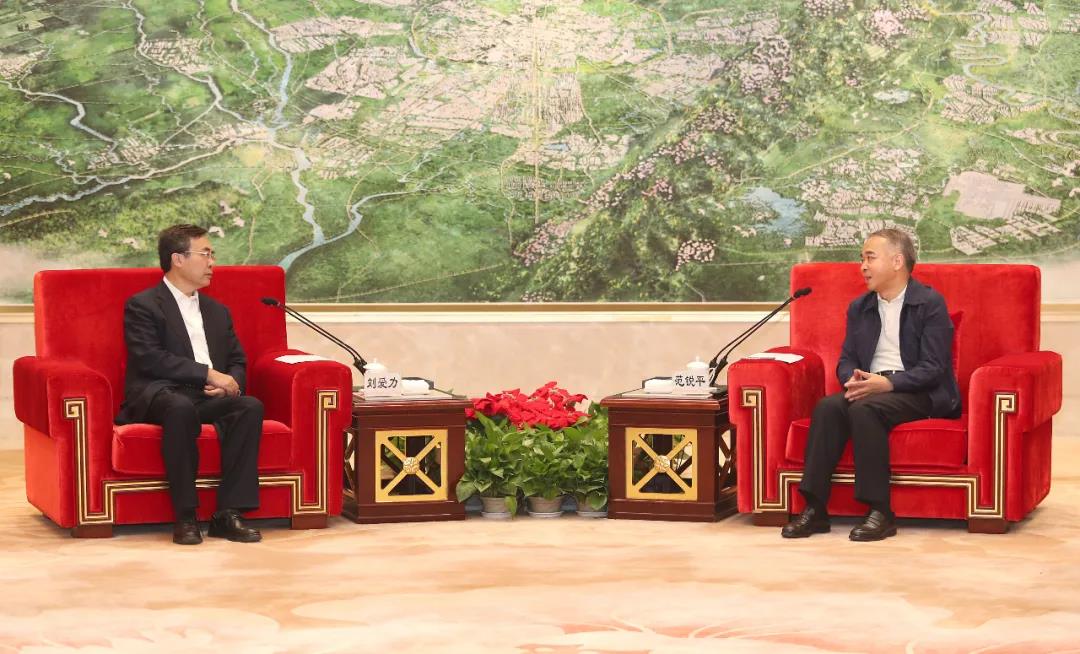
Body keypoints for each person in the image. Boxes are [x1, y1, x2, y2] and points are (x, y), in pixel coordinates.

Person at [782, 228, 960, 541]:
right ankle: (815, 508)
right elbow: (847, 358)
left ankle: (880, 511)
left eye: (870, 258)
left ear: (897, 262)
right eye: (861, 259)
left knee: (865, 410)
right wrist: (850, 379)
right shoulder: (860, 307)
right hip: (870, 386)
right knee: (827, 408)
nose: (862, 266)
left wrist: (887, 384)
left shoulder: (929, 302)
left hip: (919, 391)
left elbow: (934, 367)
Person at [116, 224, 263, 545]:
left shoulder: (217, 311)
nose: (212, 262)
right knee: (179, 407)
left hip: (208, 396)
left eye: (212, 255)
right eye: (205, 254)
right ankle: (185, 515)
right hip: (161, 392)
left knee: (249, 407)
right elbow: (150, 358)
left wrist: (231, 384)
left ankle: (228, 514)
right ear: (178, 259)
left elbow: (237, 360)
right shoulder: (143, 305)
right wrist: (208, 374)